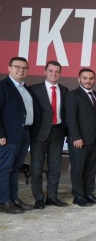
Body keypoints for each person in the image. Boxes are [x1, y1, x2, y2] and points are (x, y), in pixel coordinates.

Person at [28, 60, 68, 208]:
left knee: (55, 167)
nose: (54, 74)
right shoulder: (34, 89)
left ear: (60, 74)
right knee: (36, 167)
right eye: (51, 71)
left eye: (57, 72)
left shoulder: (64, 90)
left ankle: (52, 197)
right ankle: (39, 198)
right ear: (45, 71)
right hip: (39, 133)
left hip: (58, 132)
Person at [0, 57, 37, 214]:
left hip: (24, 133)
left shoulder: (24, 87)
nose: (21, 70)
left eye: (24, 68)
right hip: (8, 136)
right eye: (17, 67)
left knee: (15, 168)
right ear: (9, 68)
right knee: (5, 169)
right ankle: (3, 201)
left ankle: (13, 198)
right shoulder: (3, 86)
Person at [65, 68, 96, 207]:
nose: (88, 81)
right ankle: (78, 196)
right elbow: (70, 118)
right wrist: (76, 137)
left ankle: (89, 193)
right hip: (79, 140)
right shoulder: (72, 95)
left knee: (91, 169)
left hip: (94, 139)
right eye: (85, 78)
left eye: (91, 78)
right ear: (79, 79)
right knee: (78, 169)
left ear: (95, 80)